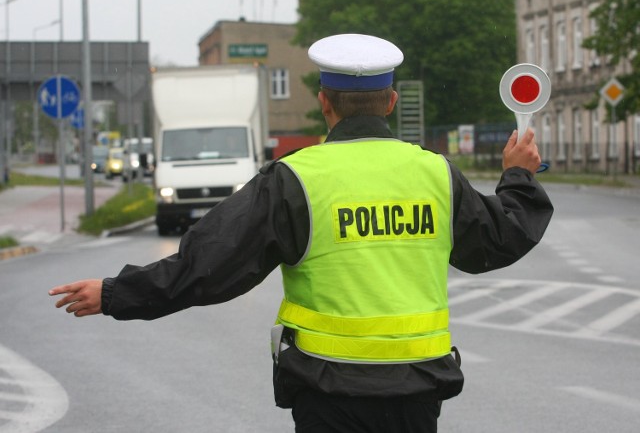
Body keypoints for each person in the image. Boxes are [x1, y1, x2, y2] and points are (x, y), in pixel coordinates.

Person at [50, 33, 553, 432]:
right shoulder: (436, 174)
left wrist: (116, 293)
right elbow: (498, 239)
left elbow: (209, 267)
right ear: (392, 101)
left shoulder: (295, 178)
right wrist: (518, 176)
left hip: (329, 393)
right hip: (417, 392)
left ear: (324, 102)